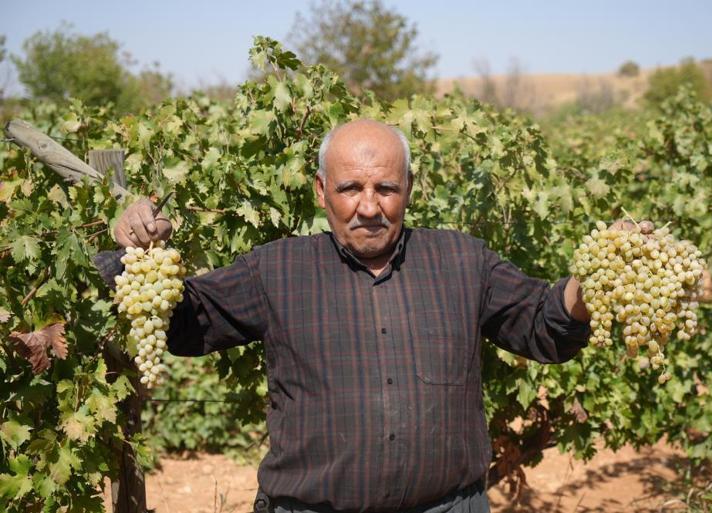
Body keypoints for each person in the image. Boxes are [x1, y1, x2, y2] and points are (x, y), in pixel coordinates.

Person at [97, 119, 642, 513]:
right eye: (350, 187)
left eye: (385, 187)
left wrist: (594, 279)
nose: (368, 206)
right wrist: (136, 255)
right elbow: (184, 322)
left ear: (408, 188)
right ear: (320, 191)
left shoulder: (462, 260)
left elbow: (544, 326)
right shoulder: (275, 270)